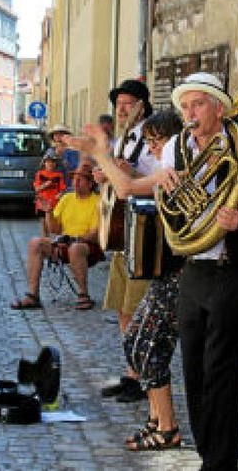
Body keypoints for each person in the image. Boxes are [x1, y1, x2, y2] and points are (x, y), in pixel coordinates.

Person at [74, 72, 238, 470]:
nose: (189, 113)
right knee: (194, 370)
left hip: (231, 268)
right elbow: (130, 188)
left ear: (219, 108)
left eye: (198, 104)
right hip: (192, 269)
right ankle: (209, 453)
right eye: (185, 106)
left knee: (222, 369)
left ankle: (219, 464)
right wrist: (111, 158)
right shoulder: (173, 150)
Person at [82, 109, 188, 451]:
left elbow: (126, 188)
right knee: (136, 344)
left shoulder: (173, 172)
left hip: (179, 274)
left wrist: (101, 152)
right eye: (151, 141)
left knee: (150, 346)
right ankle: (158, 419)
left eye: (158, 141)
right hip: (164, 272)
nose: (153, 148)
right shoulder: (163, 170)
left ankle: (167, 427)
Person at [94, 78, 156, 403]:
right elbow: (116, 182)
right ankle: (132, 373)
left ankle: (146, 378)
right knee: (122, 308)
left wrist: (128, 173)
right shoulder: (123, 140)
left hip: (145, 231)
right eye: (118, 104)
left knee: (138, 306)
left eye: (128, 103)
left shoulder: (152, 138)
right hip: (122, 230)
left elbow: (162, 181)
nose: (121, 109)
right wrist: (104, 175)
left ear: (142, 106)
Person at [10, 162, 103, 312]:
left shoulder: (97, 202)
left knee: (75, 248)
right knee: (36, 243)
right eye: (74, 179)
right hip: (66, 243)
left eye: (80, 179)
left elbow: (95, 233)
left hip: (88, 246)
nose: (75, 182)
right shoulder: (67, 199)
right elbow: (54, 229)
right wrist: (48, 211)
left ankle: (83, 294)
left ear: (91, 183)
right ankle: (32, 295)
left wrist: (75, 239)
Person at [33, 153, 67, 237]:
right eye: (48, 162)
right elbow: (37, 189)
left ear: (55, 164)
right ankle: (45, 240)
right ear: (44, 163)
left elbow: (62, 188)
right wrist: (45, 185)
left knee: (54, 225)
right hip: (42, 203)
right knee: (44, 226)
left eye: (52, 162)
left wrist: (60, 194)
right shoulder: (40, 174)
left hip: (54, 202)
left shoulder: (59, 175)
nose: (50, 164)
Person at [47, 123, 80, 187]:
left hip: (69, 187)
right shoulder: (50, 151)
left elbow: (75, 169)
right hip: (54, 187)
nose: (58, 136)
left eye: (61, 134)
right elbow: (45, 169)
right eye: (56, 134)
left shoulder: (74, 151)